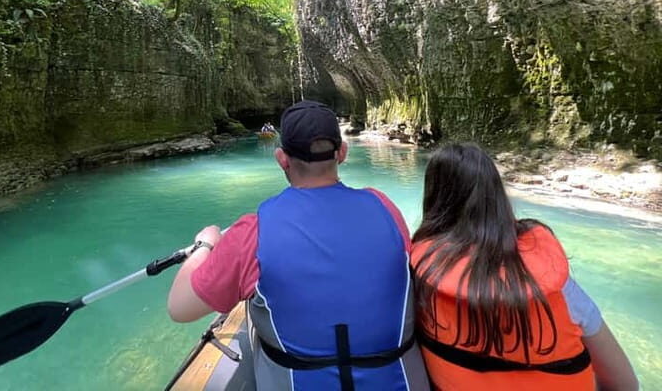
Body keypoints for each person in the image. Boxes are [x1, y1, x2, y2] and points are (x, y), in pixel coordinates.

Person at [167, 100, 430, 390]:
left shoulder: (253, 231)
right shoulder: (385, 208)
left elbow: (179, 308)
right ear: (342, 153)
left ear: (281, 158)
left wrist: (205, 245)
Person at [410, 143, 639, 391]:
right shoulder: (557, 288)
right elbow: (624, 384)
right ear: (497, 195)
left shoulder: (419, 278)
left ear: (434, 199)